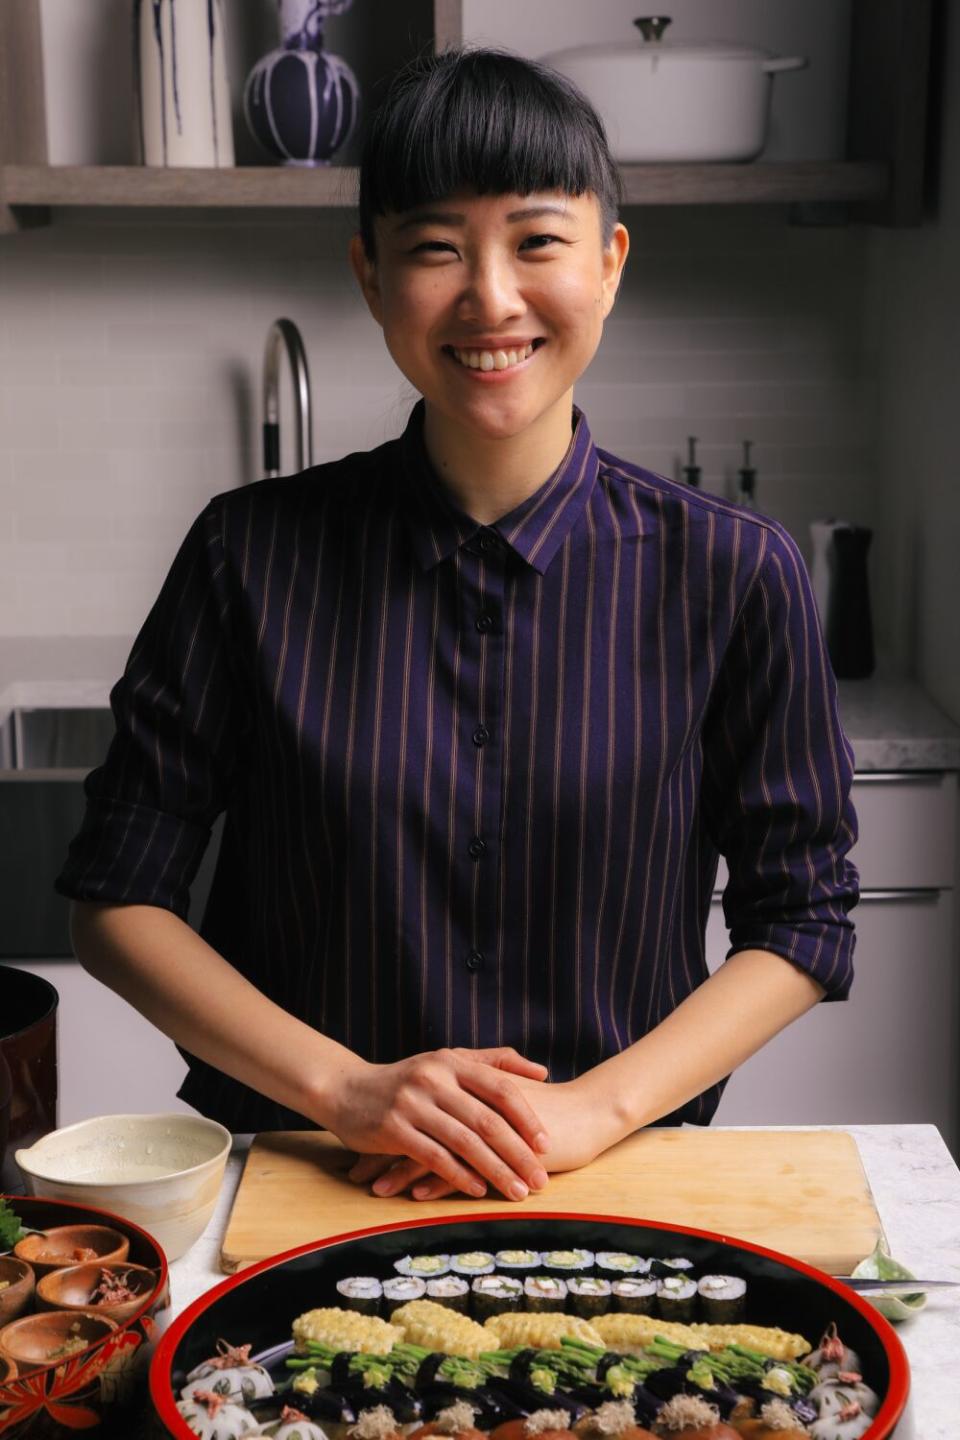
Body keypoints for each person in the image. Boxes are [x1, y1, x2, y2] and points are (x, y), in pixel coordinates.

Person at [57, 47, 858, 1206]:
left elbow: (805, 916)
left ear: (610, 263)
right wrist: (344, 1089)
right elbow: (117, 898)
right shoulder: (247, 555)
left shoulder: (736, 572)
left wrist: (597, 1106)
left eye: (536, 240)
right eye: (436, 247)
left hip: (614, 1181)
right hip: (303, 1178)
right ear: (371, 275)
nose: (490, 295)